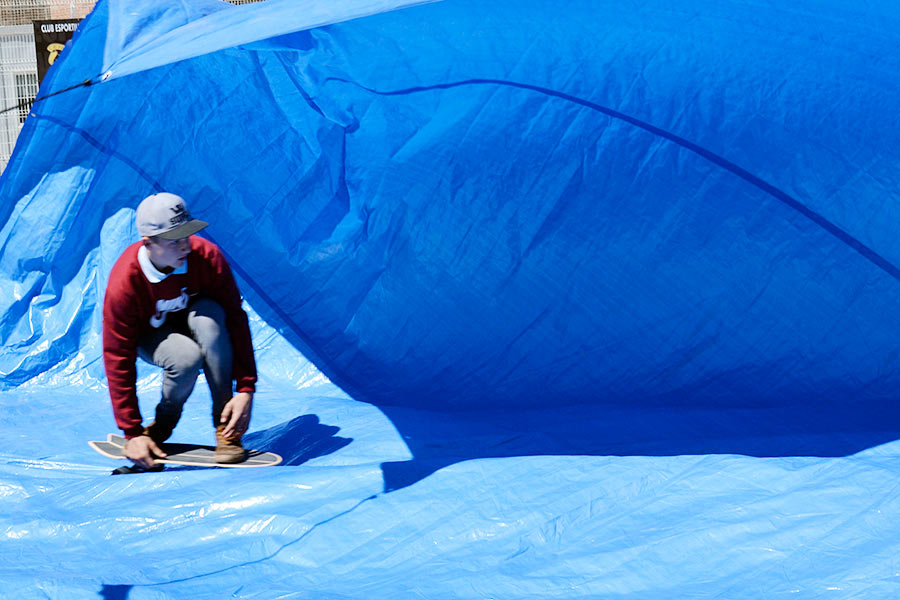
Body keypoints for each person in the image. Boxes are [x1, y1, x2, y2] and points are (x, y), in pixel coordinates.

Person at [102, 192, 257, 469]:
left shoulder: (206, 256)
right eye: (175, 240)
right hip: (153, 334)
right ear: (148, 243)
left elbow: (235, 319)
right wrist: (132, 432)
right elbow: (117, 356)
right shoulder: (124, 282)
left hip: (199, 322)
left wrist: (246, 388)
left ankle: (226, 429)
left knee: (211, 321)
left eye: (188, 234)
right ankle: (162, 426)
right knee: (185, 358)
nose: (186, 246)